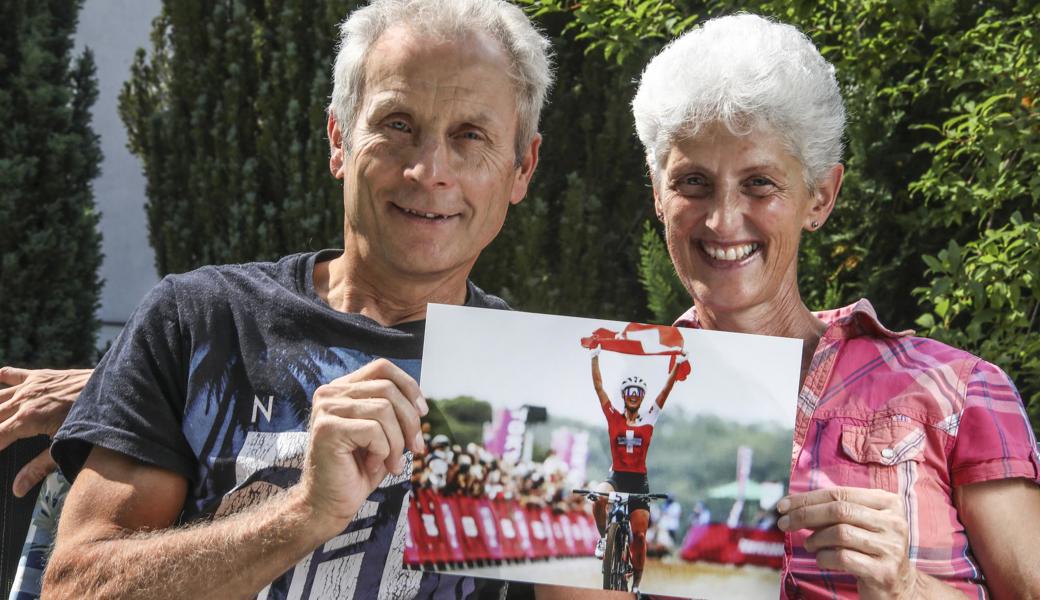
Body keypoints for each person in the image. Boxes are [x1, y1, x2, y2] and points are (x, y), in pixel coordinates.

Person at [25, 0, 552, 598]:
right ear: (338, 138)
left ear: (521, 168)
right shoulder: (198, 320)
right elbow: (74, 588)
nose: (429, 170)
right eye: (398, 124)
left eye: (470, 136)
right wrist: (303, 512)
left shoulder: (544, 381)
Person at [628, 13, 1040, 599]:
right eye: (693, 182)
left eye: (759, 183)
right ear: (657, 194)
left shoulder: (958, 390)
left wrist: (906, 586)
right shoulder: (616, 406)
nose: (721, 220)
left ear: (819, 197)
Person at [587, 346, 685, 593]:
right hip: (617, 476)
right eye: (629, 391)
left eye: (638, 392)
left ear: (641, 397)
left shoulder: (649, 418)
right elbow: (599, 387)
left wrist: (678, 365)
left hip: (639, 481)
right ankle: (604, 538)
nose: (633, 395)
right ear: (624, 395)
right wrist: (594, 356)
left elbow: (665, 390)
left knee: (640, 537)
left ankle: (637, 584)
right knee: (598, 497)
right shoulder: (614, 417)